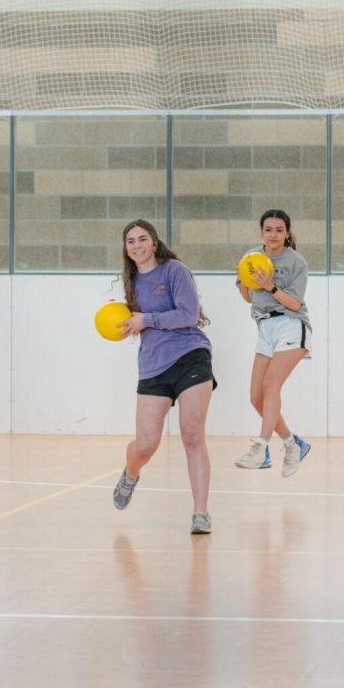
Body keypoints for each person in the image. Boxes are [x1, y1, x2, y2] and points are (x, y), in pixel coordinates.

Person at [111, 219, 216, 534]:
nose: (138, 245)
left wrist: (147, 319)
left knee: (193, 436)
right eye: (131, 241)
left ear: (154, 243)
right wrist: (128, 324)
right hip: (154, 365)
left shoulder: (174, 270)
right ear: (126, 250)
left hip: (191, 356)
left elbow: (188, 314)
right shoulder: (131, 281)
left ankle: (201, 513)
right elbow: (136, 322)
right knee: (145, 445)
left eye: (143, 239)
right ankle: (131, 474)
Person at [233, 209, 313, 477]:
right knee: (257, 397)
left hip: (291, 323)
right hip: (264, 327)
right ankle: (293, 444)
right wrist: (244, 279)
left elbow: (295, 302)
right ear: (262, 232)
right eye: (268, 229)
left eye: (279, 230)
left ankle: (261, 447)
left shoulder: (296, 262)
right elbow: (247, 298)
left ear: (287, 234)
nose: (274, 234)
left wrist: (270, 286)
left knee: (271, 386)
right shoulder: (252, 257)